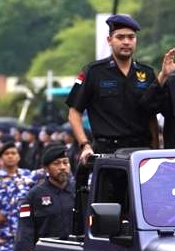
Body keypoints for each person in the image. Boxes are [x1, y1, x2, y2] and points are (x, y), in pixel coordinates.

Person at [67, 14, 158, 162]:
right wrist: (85, 145)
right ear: (109, 40)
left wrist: (155, 150)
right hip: (107, 152)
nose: (126, 42)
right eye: (120, 37)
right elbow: (74, 113)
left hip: (141, 153)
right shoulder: (93, 71)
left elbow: (151, 116)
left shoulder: (147, 73)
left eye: (131, 37)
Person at [16, 143, 75, 251]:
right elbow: (25, 225)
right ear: (46, 168)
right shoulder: (33, 195)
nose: (63, 167)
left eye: (65, 162)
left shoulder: (79, 192)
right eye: (57, 163)